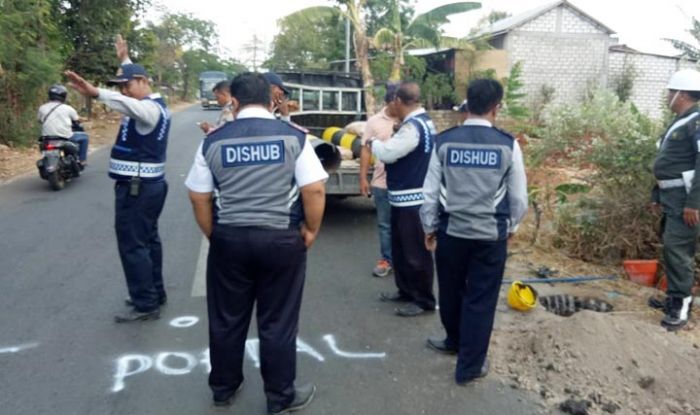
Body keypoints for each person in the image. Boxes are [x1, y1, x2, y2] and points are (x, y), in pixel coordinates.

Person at [185, 72, 327, 413]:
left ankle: (223, 387)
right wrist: (310, 231)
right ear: (271, 99)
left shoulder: (214, 140)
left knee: (226, 317)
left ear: (233, 100)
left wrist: (214, 235)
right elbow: (314, 189)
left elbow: (198, 196)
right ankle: (279, 397)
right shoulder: (293, 137)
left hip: (229, 240)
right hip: (281, 240)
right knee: (277, 320)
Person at [420, 78, 528, 385]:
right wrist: (511, 226)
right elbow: (519, 198)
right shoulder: (508, 145)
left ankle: (453, 340)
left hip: (451, 233)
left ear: (467, 103)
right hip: (489, 236)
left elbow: (429, 193)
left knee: (452, 291)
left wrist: (429, 227)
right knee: (480, 299)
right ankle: (469, 366)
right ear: (497, 107)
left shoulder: (445, 141)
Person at [65, 35, 170, 323]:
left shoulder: (148, 110)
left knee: (133, 245)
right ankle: (154, 292)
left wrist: (96, 92)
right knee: (148, 241)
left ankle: (145, 303)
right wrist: (125, 60)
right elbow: (129, 93)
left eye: (128, 85)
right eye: (120, 87)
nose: (123, 91)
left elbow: (128, 104)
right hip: (147, 186)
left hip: (137, 188)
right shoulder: (151, 105)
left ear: (144, 82)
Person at [368, 81, 437, 317]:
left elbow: (388, 153)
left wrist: (372, 142)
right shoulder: (422, 122)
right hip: (403, 197)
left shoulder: (413, 128)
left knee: (415, 252)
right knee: (401, 250)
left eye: (392, 102)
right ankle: (406, 290)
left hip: (412, 199)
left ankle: (422, 299)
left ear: (398, 101)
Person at [649, 69, 700, 331]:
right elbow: (667, 164)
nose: (668, 96)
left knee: (678, 251)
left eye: (671, 92)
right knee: (671, 248)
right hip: (671, 197)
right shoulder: (681, 120)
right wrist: (656, 194)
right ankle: (673, 299)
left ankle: (680, 309)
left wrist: (694, 203)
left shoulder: (696, 121)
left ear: (681, 94)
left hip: (685, 200)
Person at [360, 83, 400, 278]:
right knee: (385, 225)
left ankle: (405, 261)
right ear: (389, 102)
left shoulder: (411, 120)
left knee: (407, 226)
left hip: (406, 185)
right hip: (381, 182)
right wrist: (363, 178)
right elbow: (366, 149)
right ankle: (387, 260)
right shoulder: (374, 121)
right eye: (397, 102)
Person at [38, 84, 89, 164]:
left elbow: (40, 120)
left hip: (46, 138)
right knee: (85, 137)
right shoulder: (68, 108)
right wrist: (84, 119)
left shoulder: (42, 108)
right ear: (64, 96)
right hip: (65, 136)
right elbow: (76, 119)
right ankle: (82, 160)